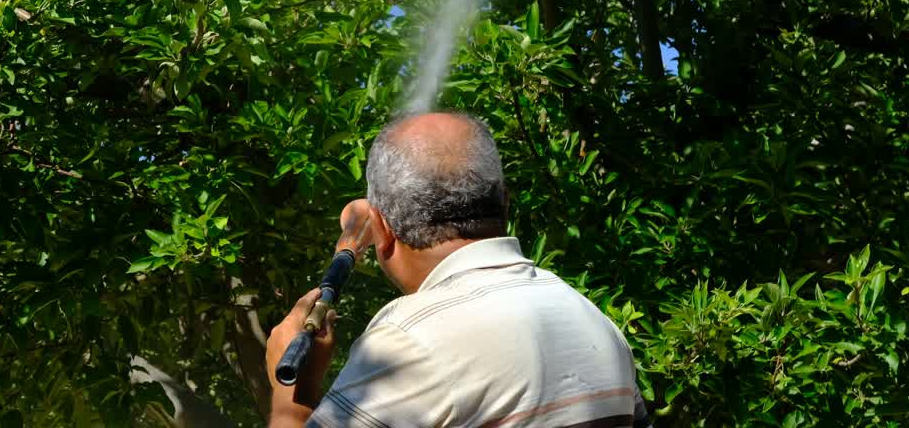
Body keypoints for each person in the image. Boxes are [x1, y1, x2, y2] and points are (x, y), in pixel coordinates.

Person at [264, 112, 652, 428]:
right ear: (505, 203)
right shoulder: (594, 321)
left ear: (382, 230)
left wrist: (290, 403)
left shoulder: (410, 341)